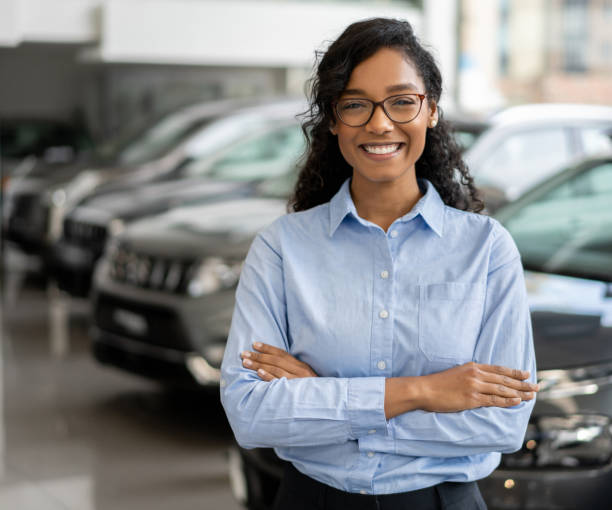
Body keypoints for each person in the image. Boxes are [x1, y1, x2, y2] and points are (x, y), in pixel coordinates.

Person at [220, 17, 538, 510]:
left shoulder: (486, 249)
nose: (379, 123)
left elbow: (501, 423)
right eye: (355, 104)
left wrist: (323, 400)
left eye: (401, 101)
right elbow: (250, 413)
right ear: (332, 118)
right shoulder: (282, 249)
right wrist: (424, 391)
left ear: (430, 110)